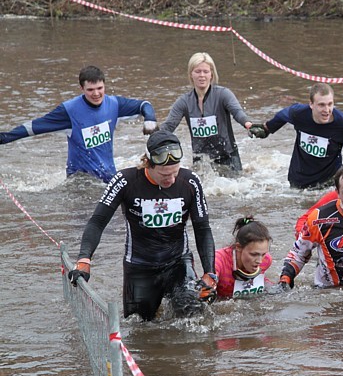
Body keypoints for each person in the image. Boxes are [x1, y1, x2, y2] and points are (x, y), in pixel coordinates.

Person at [67, 130, 218, 321]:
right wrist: (84, 260)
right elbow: (97, 221)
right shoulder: (125, 181)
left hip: (178, 263)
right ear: (147, 163)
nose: (171, 180)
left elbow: (203, 228)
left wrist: (209, 272)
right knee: (139, 326)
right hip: (140, 267)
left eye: (175, 172)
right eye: (164, 174)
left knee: (192, 315)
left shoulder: (190, 182)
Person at [0, 65, 157, 183]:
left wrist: (150, 119)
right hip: (80, 181)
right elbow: (32, 128)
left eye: (99, 88)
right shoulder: (68, 111)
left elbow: (144, 105)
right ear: (82, 88)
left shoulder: (114, 104)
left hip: (109, 177)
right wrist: (3, 138)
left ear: (105, 86)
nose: (96, 94)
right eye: (90, 90)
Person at [249, 82, 343, 189]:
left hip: (328, 183)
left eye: (330, 104)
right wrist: (267, 129)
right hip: (297, 181)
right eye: (321, 105)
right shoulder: (298, 113)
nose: (326, 110)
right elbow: (282, 116)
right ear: (311, 104)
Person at [159, 52, 255, 177]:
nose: (202, 75)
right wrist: (155, 140)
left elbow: (237, 112)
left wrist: (248, 125)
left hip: (228, 156)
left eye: (206, 71)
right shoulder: (184, 101)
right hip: (200, 160)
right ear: (191, 74)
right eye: (198, 71)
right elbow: (169, 126)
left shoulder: (223, 94)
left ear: (212, 75)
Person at [214, 216, 274, 299]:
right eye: (254, 254)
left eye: (263, 254)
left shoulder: (266, 260)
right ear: (238, 247)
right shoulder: (218, 260)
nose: (259, 261)